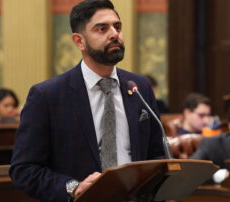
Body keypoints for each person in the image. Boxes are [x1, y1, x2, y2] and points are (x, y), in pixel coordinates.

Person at [9, 1, 165, 202]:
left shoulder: (139, 87)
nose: (114, 34)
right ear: (79, 41)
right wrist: (73, 188)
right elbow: (24, 169)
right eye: (102, 29)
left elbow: (157, 154)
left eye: (117, 27)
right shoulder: (47, 96)